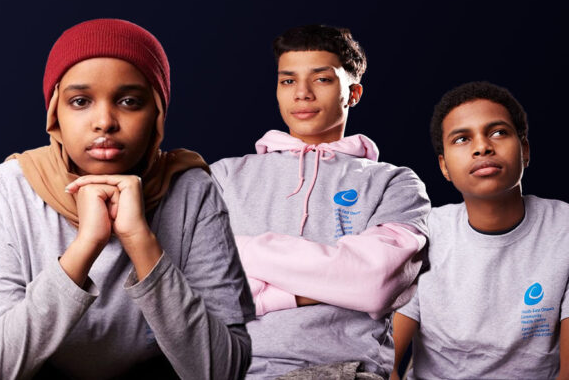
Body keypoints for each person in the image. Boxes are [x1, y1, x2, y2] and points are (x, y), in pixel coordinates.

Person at [0, 18, 254, 379]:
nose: (104, 122)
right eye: (80, 101)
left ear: (157, 112)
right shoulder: (9, 189)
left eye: (129, 101)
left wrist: (141, 243)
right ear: (55, 115)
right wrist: (85, 247)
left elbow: (223, 371)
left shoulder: (191, 190)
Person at [210, 24, 430, 378]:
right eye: (287, 81)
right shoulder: (222, 176)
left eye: (322, 79)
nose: (302, 94)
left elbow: (376, 284)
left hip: (345, 372)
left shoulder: (395, 183)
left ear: (353, 93)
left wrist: (240, 250)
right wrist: (329, 282)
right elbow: (195, 288)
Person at [391, 81, 569, 379]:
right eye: (462, 139)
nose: (482, 147)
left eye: (498, 133)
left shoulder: (563, 230)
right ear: (444, 167)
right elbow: (385, 361)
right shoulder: (424, 233)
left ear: (524, 150)